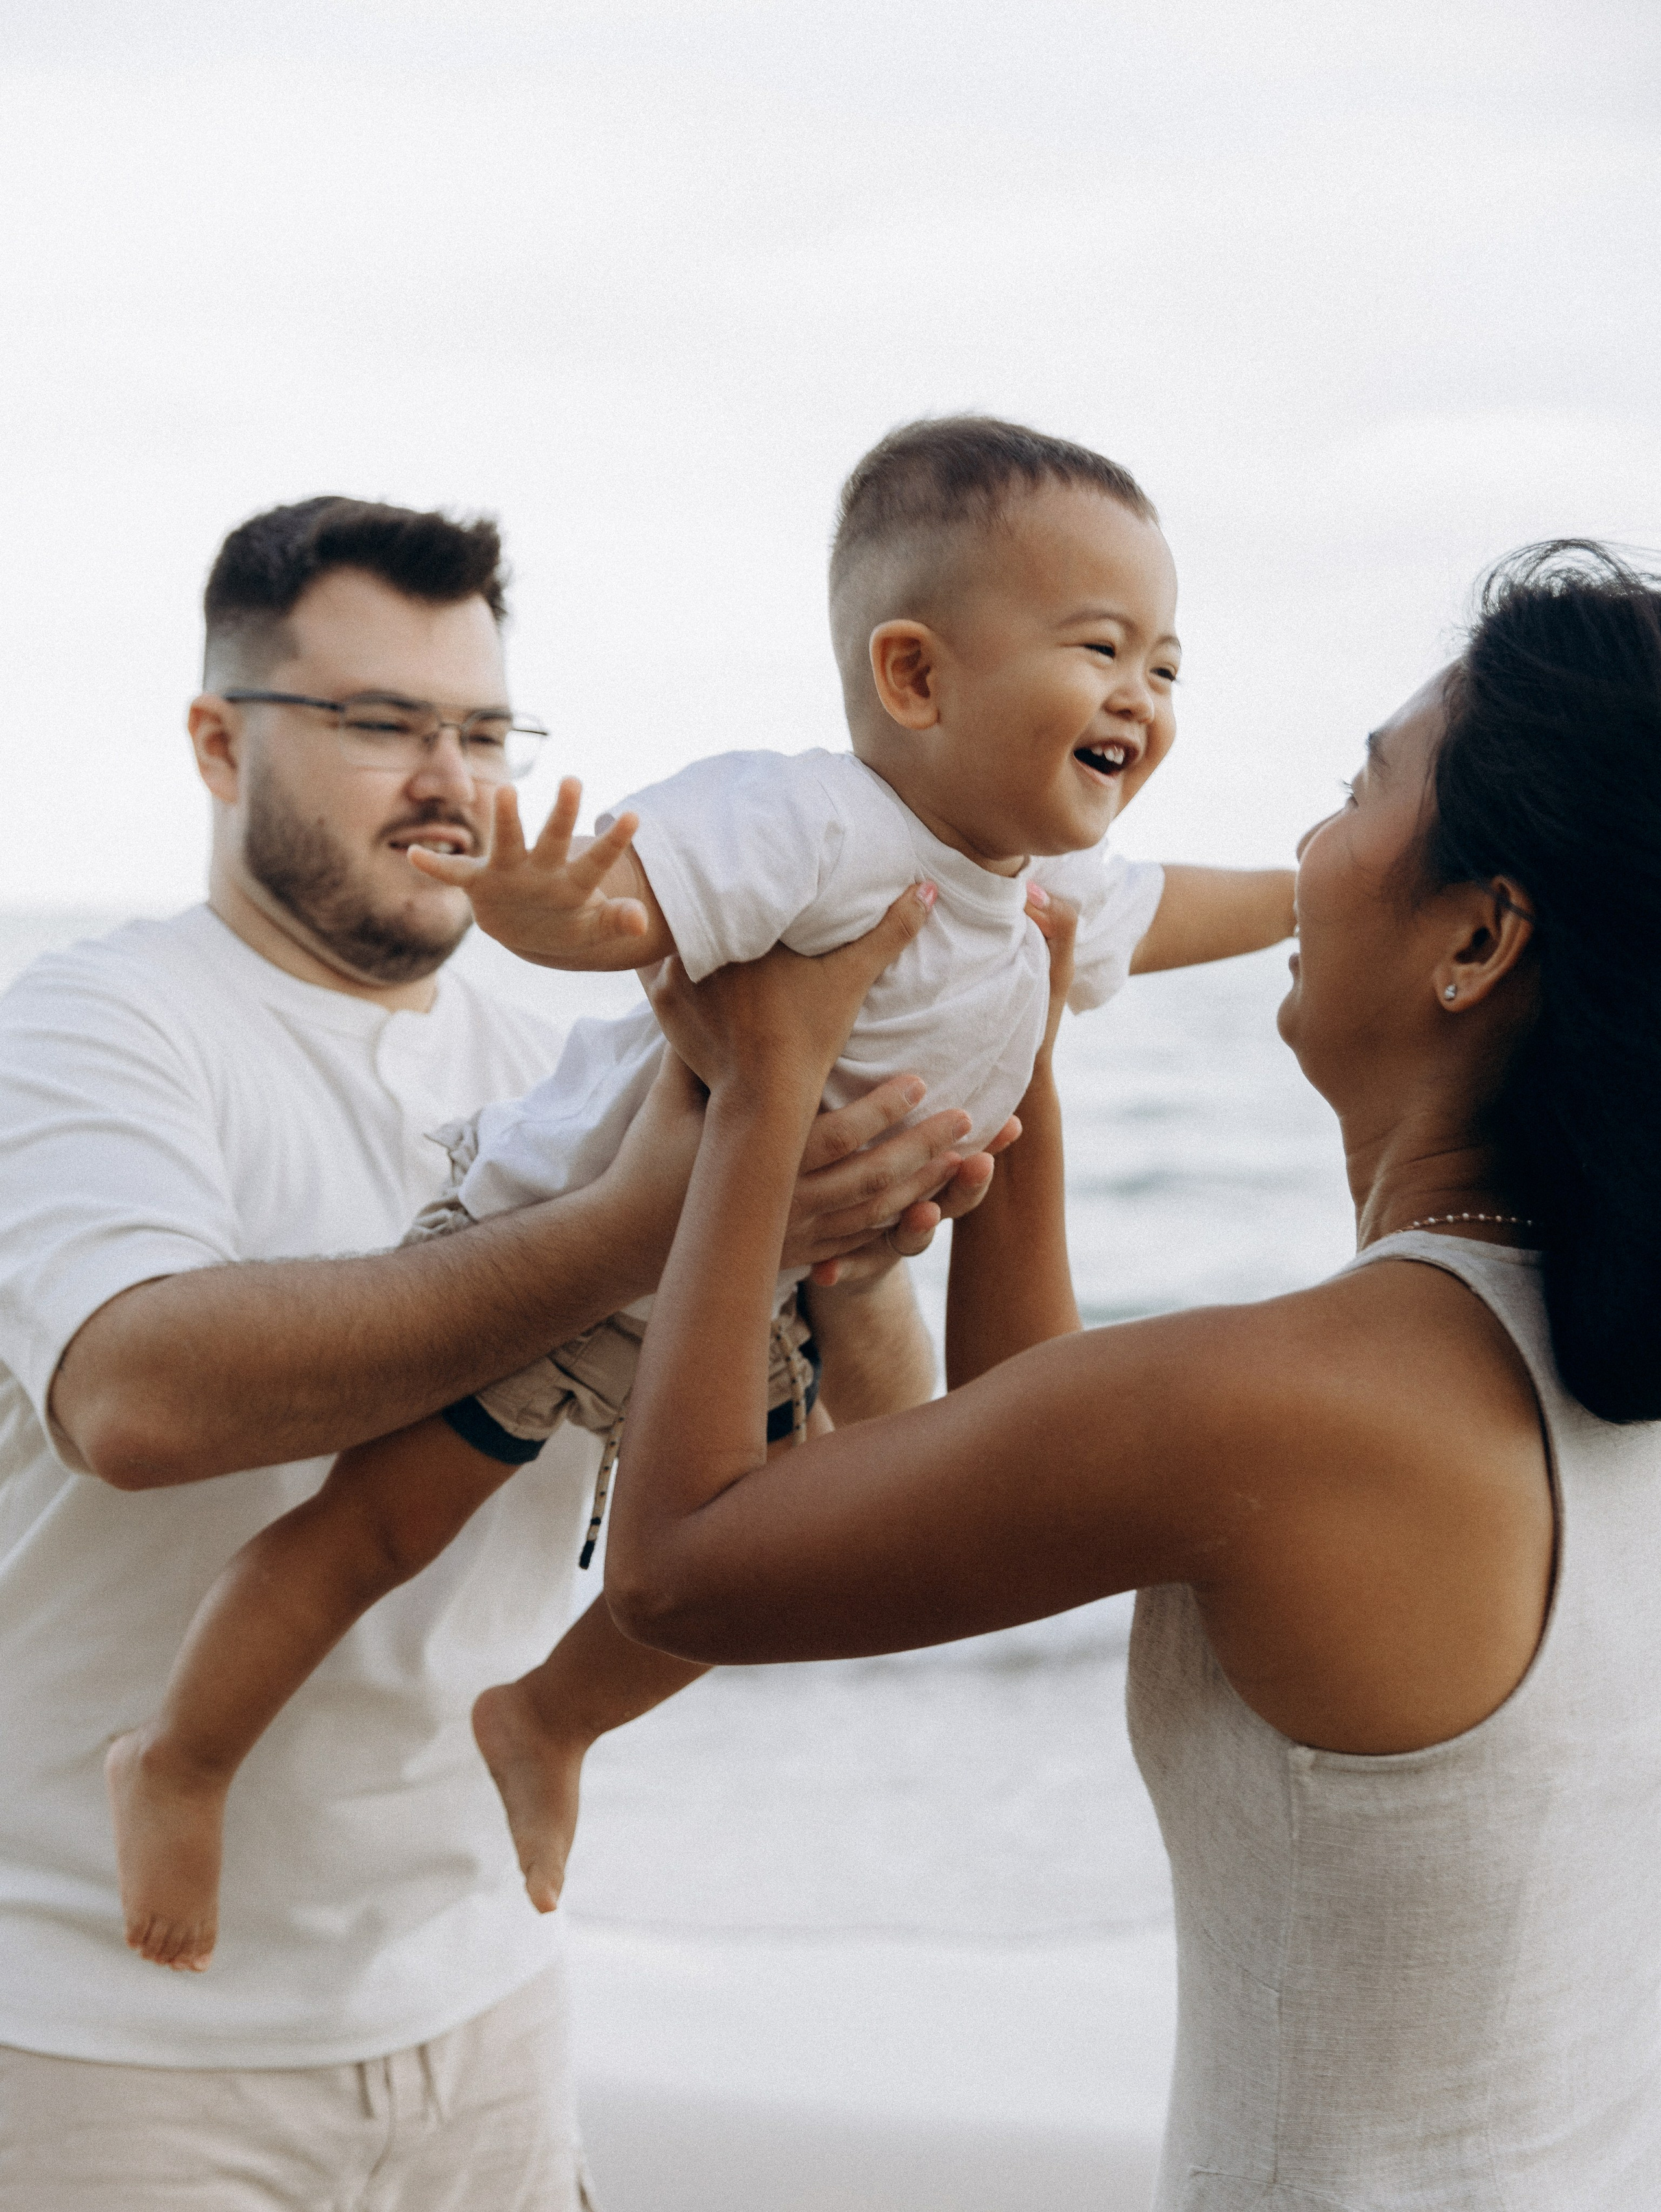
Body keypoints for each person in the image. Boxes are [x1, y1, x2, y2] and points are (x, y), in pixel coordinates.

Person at [109, 417, 1299, 1970]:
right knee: (378, 1526)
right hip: (566, 1233)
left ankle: (547, 1718)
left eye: (1165, 664)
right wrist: (539, 909)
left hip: (758, 1285)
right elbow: (634, 898)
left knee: (765, 1566)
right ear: (914, 675)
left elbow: (1179, 905)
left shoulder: (1041, 891)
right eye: (1099, 648)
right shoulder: (814, 821)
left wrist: (1321, 893)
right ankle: (183, 1761)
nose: (1141, 694)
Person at [600, 540, 1661, 2208]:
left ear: (1475, 935)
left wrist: (764, 1083)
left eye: (1356, 791)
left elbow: (678, 1570)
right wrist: (1012, 1027)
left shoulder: (1298, 1406)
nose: (1304, 850)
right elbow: (1035, 1436)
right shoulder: (1562, 1366)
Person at [0, 496, 990, 2211]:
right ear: (220, 743)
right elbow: (133, 1396)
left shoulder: (578, 1058)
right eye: (382, 723)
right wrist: (636, 1223)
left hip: (488, 2003)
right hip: (102, 2041)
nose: (449, 778)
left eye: (482, 731)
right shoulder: (90, 1025)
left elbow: (877, 1457)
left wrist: (837, 1240)